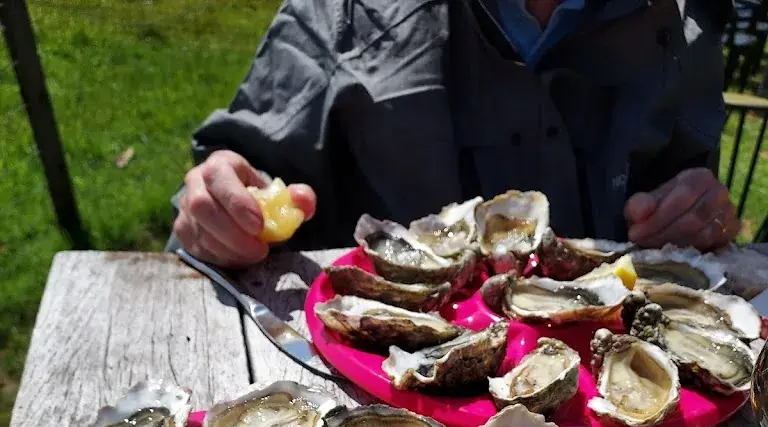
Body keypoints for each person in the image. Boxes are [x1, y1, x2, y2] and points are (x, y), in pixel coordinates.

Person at [171, 0, 740, 268]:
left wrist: (698, 213)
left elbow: (691, 215)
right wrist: (221, 213)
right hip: (365, 399)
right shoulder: (339, 12)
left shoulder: (684, 25)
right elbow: (239, 180)